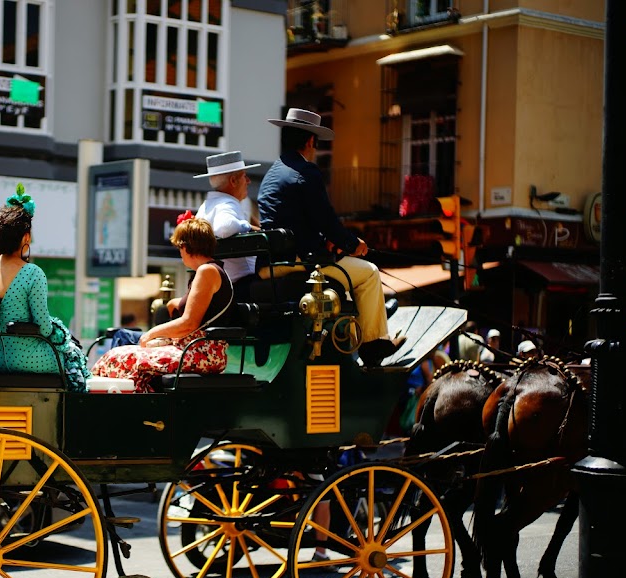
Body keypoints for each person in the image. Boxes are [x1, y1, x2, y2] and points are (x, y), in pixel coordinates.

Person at [257, 108, 403, 367]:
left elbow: (297, 220)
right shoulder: (307, 172)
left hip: (272, 265)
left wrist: (326, 239)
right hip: (303, 262)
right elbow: (327, 220)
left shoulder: (270, 176)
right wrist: (352, 244)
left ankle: (356, 332)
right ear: (311, 141)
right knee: (369, 273)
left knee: (347, 275)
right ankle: (373, 344)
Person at [91, 215, 234, 393]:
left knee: (119, 357)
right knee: (123, 356)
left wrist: (151, 333)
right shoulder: (210, 270)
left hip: (202, 353)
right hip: (196, 350)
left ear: (186, 247)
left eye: (179, 248)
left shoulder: (207, 271)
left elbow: (189, 323)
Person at [0, 183, 90, 391]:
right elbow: (44, 327)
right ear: (26, 237)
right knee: (74, 360)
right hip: (28, 359)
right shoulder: (32, 273)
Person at [194, 151, 262, 302]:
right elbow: (225, 227)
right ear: (233, 181)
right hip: (241, 288)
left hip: (221, 286)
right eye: (244, 176)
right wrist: (250, 227)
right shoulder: (227, 203)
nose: (248, 181)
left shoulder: (205, 206)